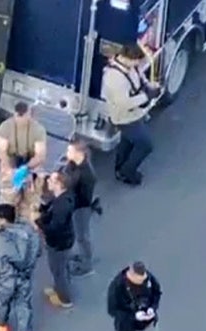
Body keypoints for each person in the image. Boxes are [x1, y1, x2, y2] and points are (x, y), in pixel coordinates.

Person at [103, 43, 160, 185]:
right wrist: (148, 96)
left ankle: (120, 168)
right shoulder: (114, 78)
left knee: (127, 142)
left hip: (132, 114)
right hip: (124, 118)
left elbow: (140, 77)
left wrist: (148, 86)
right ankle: (128, 171)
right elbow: (124, 103)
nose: (139, 64)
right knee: (145, 145)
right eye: (137, 61)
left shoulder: (129, 66)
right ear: (129, 58)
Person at [0, 203, 42, 331]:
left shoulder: (2, 239)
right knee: (23, 303)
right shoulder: (30, 232)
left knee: (0, 302)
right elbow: (37, 251)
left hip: (6, 279)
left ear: (3, 220)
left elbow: (0, 259)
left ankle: (1, 327)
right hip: (25, 276)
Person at [34, 170, 77, 309]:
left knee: (58, 270)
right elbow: (49, 208)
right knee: (61, 268)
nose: (48, 182)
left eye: (51, 180)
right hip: (63, 240)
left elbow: (53, 227)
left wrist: (38, 222)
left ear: (59, 184)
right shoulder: (61, 197)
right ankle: (60, 288)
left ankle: (64, 298)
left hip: (59, 243)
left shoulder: (61, 206)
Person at [63, 140, 99, 277]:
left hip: (81, 208)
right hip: (76, 205)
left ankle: (87, 265)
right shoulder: (74, 165)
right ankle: (84, 257)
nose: (67, 153)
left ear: (79, 153)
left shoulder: (86, 175)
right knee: (80, 235)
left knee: (82, 236)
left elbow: (84, 197)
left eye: (69, 151)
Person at [0, 101, 48, 171]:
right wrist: (9, 168)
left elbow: (40, 155)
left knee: (38, 173)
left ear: (29, 114)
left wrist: (25, 168)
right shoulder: (5, 126)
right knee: (5, 172)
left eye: (23, 115)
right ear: (14, 114)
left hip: (31, 159)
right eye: (19, 115)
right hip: (11, 157)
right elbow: (2, 152)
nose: (21, 118)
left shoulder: (38, 129)